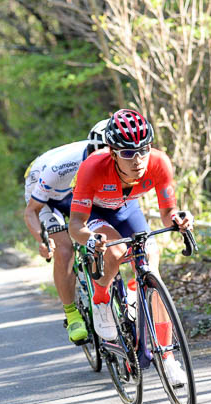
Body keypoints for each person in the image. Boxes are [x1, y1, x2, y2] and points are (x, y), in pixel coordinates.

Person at [68, 108, 193, 386]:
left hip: (127, 210)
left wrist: (178, 219)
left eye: (143, 150)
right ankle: (101, 300)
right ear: (112, 152)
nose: (137, 160)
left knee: (151, 259)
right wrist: (90, 239)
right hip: (96, 215)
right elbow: (75, 224)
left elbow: (167, 211)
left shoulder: (159, 163)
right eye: (127, 153)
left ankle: (168, 358)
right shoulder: (92, 167)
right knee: (115, 251)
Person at [23, 119, 108, 343]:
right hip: (48, 198)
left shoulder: (114, 162)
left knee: (104, 236)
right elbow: (31, 211)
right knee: (64, 250)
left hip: (80, 195)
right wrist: (41, 241)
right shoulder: (61, 166)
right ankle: (72, 315)